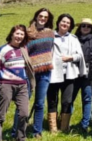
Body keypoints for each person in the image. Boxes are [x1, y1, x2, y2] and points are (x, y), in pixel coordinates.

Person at [0, 25, 31, 141]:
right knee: (0, 116)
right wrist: (0, 83)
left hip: (22, 85)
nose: (19, 36)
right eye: (17, 33)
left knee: (24, 113)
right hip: (6, 85)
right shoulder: (3, 50)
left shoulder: (24, 50)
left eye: (22, 34)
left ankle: (20, 138)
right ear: (12, 34)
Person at [48, 13, 87, 134]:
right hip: (53, 73)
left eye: (68, 23)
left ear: (70, 26)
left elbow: (80, 55)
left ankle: (64, 128)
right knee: (52, 100)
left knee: (67, 101)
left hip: (69, 74)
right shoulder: (50, 36)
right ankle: (53, 128)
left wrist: (70, 58)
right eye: (63, 21)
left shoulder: (73, 38)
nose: (65, 24)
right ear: (58, 22)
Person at [20, 8, 55, 138]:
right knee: (23, 102)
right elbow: (22, 51)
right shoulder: (28, 33)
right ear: (36, 17)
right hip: (29, 72)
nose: (43, 19)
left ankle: (37, 131)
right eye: (41, 16)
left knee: (40, 103)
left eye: (45, 17)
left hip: (45, 72)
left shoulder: (50, 33)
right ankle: (17, 130)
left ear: (48, 19)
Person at [73, 18, 92, 133]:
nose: (86, 28)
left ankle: (85, 124)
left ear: (91, 29)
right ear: (79, 27)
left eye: (88, 26)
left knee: (87, 99)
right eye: (83, 26)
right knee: (70, 99)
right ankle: (65, 123)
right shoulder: (73, 39)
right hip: (73, 73)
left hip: (88, 75)